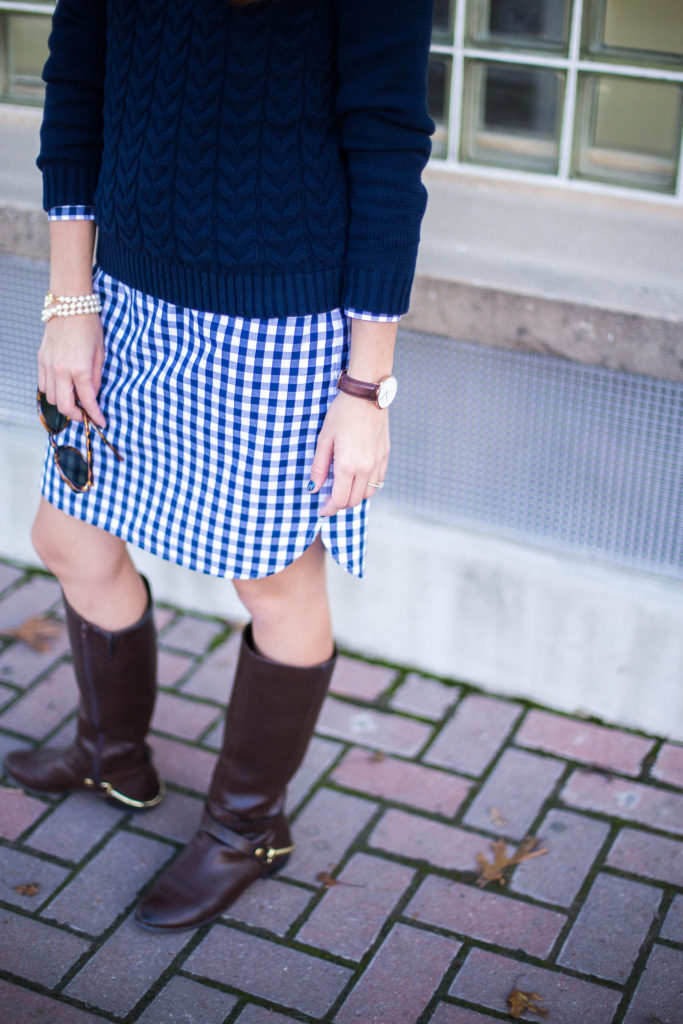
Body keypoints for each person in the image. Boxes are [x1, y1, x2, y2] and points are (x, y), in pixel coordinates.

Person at [4, 0, 434, 931]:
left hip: (279, 324)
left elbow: (387, 148)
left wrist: (365, 391)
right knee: (69, 536)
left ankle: (247, 829)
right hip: (120, 297)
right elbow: (77, 88)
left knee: (273, 581)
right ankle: (113, 757)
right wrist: (68, 301)